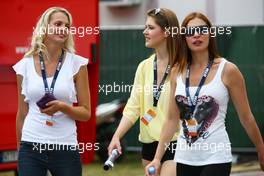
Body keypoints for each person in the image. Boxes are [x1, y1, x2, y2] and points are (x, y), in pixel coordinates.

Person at [145, 12, 264, 176]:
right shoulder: (176, 72)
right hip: (184, 158)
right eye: (190, 32)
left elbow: (246, 117)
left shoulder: (228, 70)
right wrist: (157, 158)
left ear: (210, 33)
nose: (196, 35)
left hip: (216, 157)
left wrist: (261, 149)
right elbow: (171, 119)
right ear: (184, 38)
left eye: (202, 30)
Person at [13, 7, 91, 176]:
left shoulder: (78, 65)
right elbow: (22, 113)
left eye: (67, 26)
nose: (63, 29)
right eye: (58, 24)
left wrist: (63, 107)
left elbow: (85, 113)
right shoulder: (24, 65)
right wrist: (20, 151)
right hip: (31, 146)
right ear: (45, 28)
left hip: (65, 146)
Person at [107, 8, 185, 176]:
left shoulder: (183, 67)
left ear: (166, 33)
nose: (145, 32)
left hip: (176, 143)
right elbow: (133, 107)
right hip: (149, 145)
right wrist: (116, 136)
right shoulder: (144, 67)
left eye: (150, 27)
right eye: (145, 27)